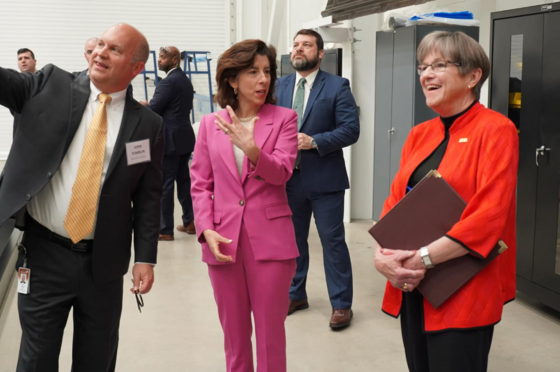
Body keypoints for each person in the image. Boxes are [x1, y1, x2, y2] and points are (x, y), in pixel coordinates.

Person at [0, 23, 163, 371]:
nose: (101, 52)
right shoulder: (50, 85)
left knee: (97, 358)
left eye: (114, 49)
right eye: (100, 44)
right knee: (36, 358)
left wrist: (145, 257)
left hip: (103, 265)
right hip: (43, 256)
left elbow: (148, 196)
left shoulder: (146, 126)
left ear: (136, 67)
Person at [373, 31, 518, 372]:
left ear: (472, 76)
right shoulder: (420, 134)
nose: (426, 74)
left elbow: (489, 214)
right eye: (422, 67)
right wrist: (383, 257)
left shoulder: (497, 130)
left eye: (438, 65)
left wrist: (422, 258)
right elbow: (395, 202)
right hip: (412, 283)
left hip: (464, 287)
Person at [191, 39, 299, 372]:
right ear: (233, 80)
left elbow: (281, 172)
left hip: (271, 242)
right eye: (253, 72)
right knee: (234, 338)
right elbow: (200, 183)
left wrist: (252, 149)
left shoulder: (284, 119)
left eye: (267, 71)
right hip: (223, 241)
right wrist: (205, 229)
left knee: (270, 336)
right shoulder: (210, 124)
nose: (263, 80)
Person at [275, 29, 360, 329]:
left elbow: (351, 129)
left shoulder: (337, 86)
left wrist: (315, 141)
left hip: (325, 180)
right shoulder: (280, 86)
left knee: (332, 242)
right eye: (296, 45)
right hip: (288, 180)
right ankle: (296, 294)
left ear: (320, 53)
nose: (299, 49)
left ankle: (341, 304)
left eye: (306, 45)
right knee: (292, 242)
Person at [140, 46, 196, 240]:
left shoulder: (167, 83)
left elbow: (154, 109)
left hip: (169, 140)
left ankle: (165, 229)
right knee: (184, 181)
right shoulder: (185, 80)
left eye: (163, 57)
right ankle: (190, 221)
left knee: (165, 185)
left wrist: (143, 106)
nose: (158, 60)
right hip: (184, 138)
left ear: (174, 60)